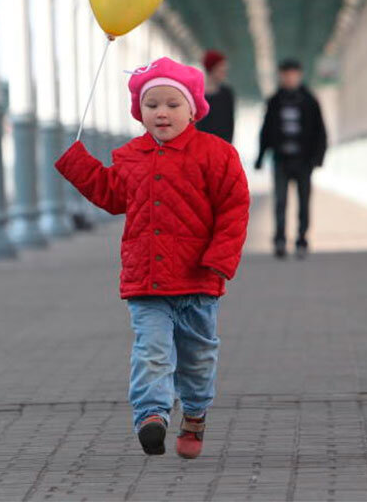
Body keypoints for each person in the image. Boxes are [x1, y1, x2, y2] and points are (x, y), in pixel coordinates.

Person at [55, 57, 249, 459]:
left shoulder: (217, 154)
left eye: (172, 105)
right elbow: (111, 196)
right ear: (139, 111)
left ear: (192, 110)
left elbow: (234, 208)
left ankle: (194, 413)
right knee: (152, 350)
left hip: (198, 279)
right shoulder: (130, 155)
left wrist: (220, 258)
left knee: (197, 358)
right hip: (148, 279)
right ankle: (151, 416)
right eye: (152, 105)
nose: (161, 113)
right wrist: (80, 166)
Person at [254, 59, 328, 259]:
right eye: (285, 74)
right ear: (281, 76)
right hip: (281, 159)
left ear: (299, 75)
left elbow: (320, 131)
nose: (289, 78)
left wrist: (318, 157)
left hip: (304, 160)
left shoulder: (310, 101)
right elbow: (266, 130)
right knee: (280, 201)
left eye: (292, 74)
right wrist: (261, 156)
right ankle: (279, 239)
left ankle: (302, 239)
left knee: (304, 202)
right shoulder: (274, 101)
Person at [196, 50, 236, 143]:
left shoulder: (227, 94)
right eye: (221, 70)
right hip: (200, 148)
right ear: (212, 69)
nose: (224, 73)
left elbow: (230, 125)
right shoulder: (196, 95)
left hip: (221, 147)